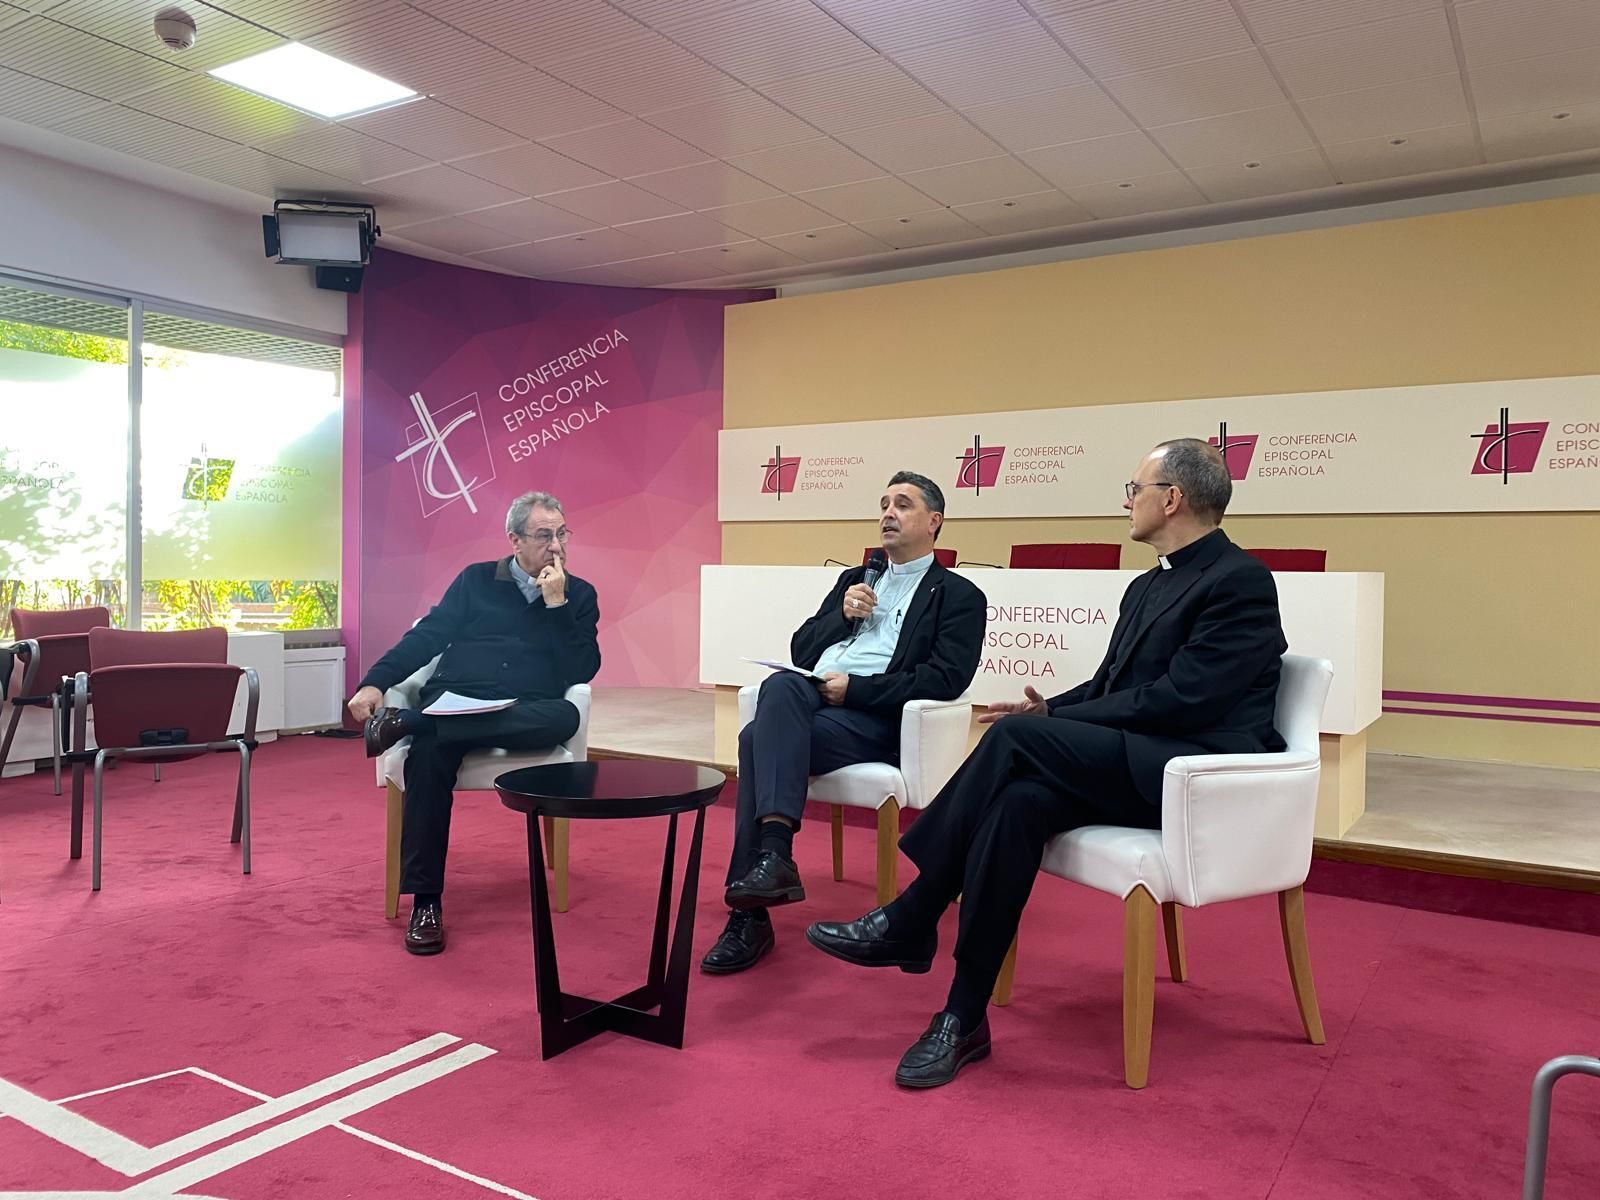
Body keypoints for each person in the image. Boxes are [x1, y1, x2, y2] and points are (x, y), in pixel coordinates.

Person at [805, 438, 1289, 1088]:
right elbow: (1111, 686)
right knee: (1017, 804)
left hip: (1191, 774)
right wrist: (1046, 711)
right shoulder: (1148, 584)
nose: (1127, 500)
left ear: (1171, 499)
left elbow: (1184, 701)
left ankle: (915, 914)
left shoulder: (1241, 582)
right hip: (1137, 759)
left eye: (1135, 488)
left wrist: (1050, 724)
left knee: (1011, 744)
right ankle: (962, 1016)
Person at [701, 471, 986, 976]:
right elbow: (802, 647)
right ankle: (772, 864)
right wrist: (842, 618)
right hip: (815, 702)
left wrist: (856, 690)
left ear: (934, 522)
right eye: (884, 504)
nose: (888, 514)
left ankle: (753, 908)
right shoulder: (855, 579)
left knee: (752, 740)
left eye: (903, 504)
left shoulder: (958, 595)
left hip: (874, 718)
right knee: (782, 684)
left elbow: (945, 678)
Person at [348, 491, 600, 956]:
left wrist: (557, 605)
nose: (557, 546)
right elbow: (427, 637)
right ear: (515, 539)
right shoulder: (476, 581)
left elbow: (581, 669)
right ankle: (426, 902)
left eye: (562, 533)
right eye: (544, 535)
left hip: (527, 707)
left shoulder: (578, 595)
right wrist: (375, 682)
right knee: (430, 758)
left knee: (564, 715)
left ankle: (411, 723)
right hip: (458, 699)